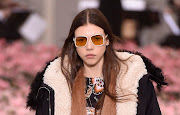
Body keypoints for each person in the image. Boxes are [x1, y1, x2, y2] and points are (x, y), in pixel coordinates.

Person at [26, 8, 167, 115]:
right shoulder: (55, 84)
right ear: (74, 43)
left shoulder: (135, 81)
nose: (89, 47)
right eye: (82, 40)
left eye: (96, 39)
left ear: (106, 40)